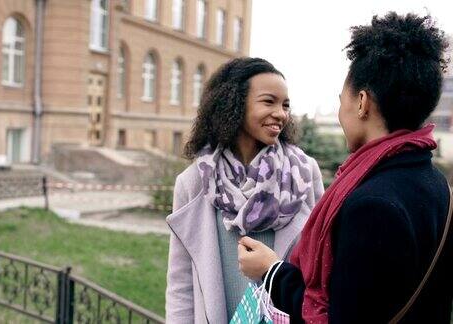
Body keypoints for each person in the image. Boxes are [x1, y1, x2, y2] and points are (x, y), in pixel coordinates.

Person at [237, 12, 452, 323]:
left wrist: (271, 272)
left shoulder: (372, 205)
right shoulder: (437, 184)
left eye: (343, 100)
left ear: (362, 102)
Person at [166, 57, 324, 323]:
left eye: (285, 105)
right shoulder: (194, 182)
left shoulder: (304, 173)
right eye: (268, 101)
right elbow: (181, 283)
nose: (281, 113)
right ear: (234, 104)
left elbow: (319, 267)